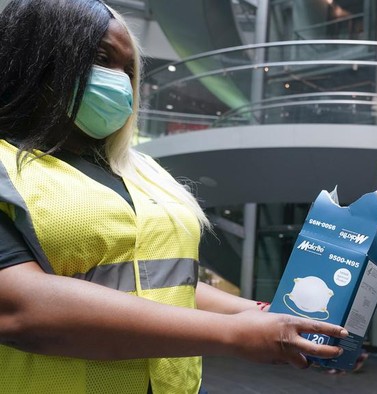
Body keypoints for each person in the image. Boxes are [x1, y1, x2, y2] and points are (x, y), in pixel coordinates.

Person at [0, 1, 348, 393]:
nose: (120, 81)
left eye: (127, 69)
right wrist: (233, 333)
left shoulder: (142, 169)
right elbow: (19, 307)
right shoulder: (5, 166)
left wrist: (266, 315)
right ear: (36, 57)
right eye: (101, 58)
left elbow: (168, 282)